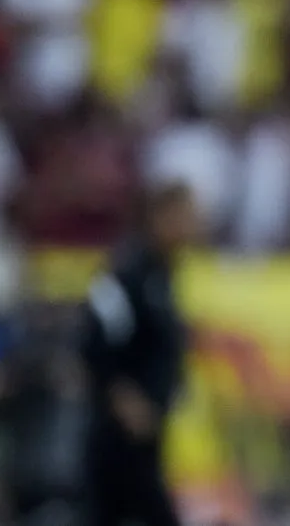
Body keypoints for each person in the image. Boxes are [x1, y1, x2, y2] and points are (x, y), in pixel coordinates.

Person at [81, 181, 197, 526]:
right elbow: (94, 340)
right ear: (158, 217)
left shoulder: (165, 274)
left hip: (149, 435)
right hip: (118, 436)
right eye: (184, 216)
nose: (192, 226)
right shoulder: (126, 274)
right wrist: (123, 397)